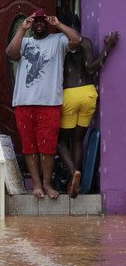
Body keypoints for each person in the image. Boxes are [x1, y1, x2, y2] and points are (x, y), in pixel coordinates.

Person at [6, 9, 81, 199]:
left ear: (47, 23)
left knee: (48, 147)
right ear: (32, 23)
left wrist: (59, 25)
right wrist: (23, 29)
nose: (39, 23)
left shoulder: (58, 40)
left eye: (42, 20)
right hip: (24, 103)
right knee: (29, 146)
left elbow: (77, 40)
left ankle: (47, 184)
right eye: (35, 20)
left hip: (50, 103)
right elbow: (10, 53)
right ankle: (37, 185)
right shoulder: (25, 42)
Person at [56, 12, 118, 198]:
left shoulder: (60, 45)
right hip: (89, 93)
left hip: (69, 95)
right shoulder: (85, 42)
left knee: (60, 141)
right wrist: (108, 47)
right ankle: (76, 182)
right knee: (77, 140)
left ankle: (73, 171)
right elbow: (91, 68)